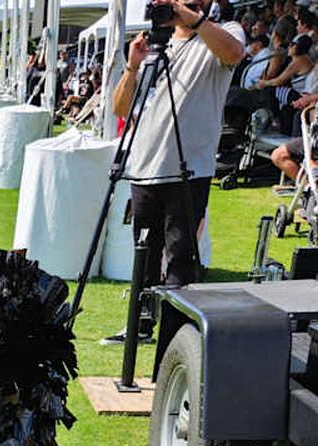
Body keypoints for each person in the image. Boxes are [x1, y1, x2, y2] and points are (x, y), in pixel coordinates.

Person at [104, 0, 245, 344]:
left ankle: (175, 338)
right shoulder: (155, 44)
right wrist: (132, 68)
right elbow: (121, 108)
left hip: (188, 169)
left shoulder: (222, 32)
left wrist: (193, 20)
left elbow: (234, 54)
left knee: (180, 256)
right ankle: (140, 325)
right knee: (144, 257)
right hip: (145, 168)